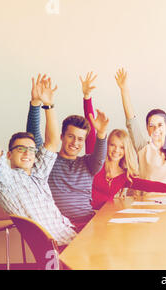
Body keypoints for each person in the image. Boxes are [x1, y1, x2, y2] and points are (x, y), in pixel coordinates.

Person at [0, 77, 76, 246]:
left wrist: (48, 106)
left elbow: (52, 142)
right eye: (20, 149)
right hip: (58, 248)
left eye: (31, 150)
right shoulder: (6, 180)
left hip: (72, 236)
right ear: (9, 155)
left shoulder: (38, 175)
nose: (27, 153)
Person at [79, 72, 166, 209]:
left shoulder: (124, 177)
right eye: (112, 145)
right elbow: (126, 122)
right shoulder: (99, 162)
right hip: (92, 214)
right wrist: (121, 91)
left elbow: (148, 185)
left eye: (121, 147)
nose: (116, 150)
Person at [26, 75, 109, 231]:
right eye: (71, 136)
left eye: (80, 139)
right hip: (58, 226)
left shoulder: (89, 164)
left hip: (87, 225)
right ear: (62, 136)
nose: (75, 143)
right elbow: (33, 136)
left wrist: (102, 133)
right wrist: (36, 103)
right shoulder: (48, 161)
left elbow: (100, 155)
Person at [116, 68, 166, 187]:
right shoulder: (143, 147)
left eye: (160, 125)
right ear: (147, 129)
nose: (156, 129)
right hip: (148, 203)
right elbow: (131, 122)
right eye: (151, 126)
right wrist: (124, 91)